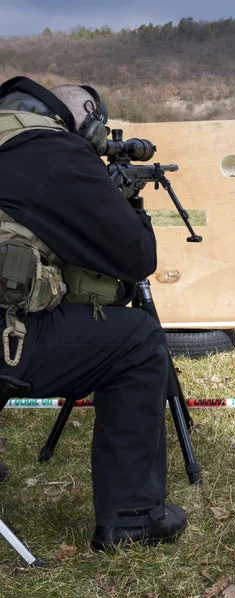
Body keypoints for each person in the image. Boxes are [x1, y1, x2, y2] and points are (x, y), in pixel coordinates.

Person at [0, 76, 187, 550]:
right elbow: (136, 258)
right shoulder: (50, 150)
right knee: (139, 341)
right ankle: (132, 517)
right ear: (85, 114)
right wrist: (124, 207)